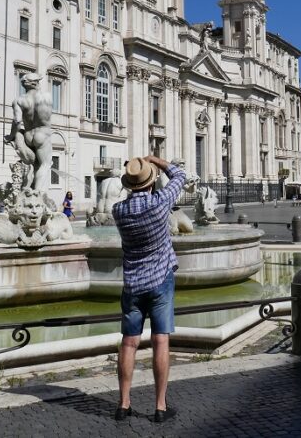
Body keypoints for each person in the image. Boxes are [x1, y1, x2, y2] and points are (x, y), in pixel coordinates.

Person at [112, 155, 186, 423]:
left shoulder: (118, 211)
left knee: (129, 343)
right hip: (160, 281)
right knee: (160, 340)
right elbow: (180, 177)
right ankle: (160, 407)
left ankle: (123, 404)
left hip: (132, 284)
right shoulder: (159, 203)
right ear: (151, 182)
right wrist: (156, 160)